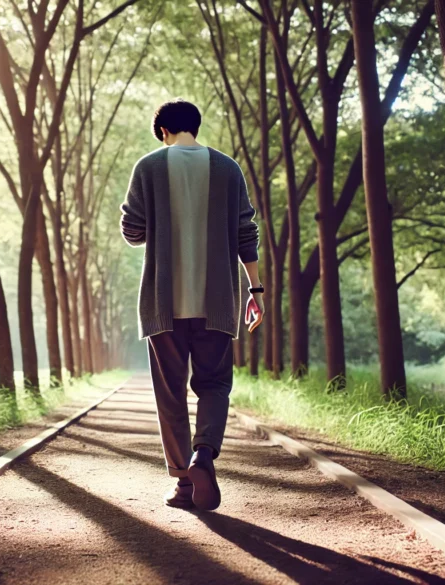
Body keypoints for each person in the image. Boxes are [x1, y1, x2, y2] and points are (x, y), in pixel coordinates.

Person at [119, 98, 264, 511]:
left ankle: (184, 484)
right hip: (217, 301)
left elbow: (132, 230)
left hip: (164, 305)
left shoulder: (148, 167)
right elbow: (244, 232)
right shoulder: (227, 168)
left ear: (163, 131)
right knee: (215, 384)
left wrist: (157, 223)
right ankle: (204, 455)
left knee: (171, 394)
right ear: (195, 128)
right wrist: (256, 292)